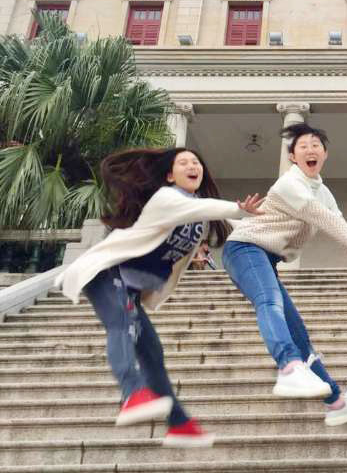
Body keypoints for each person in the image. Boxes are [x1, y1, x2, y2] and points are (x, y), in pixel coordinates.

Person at [56, 147, 264, 448]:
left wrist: (277, 222)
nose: (192, 166)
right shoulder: (167, 198)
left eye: (196, 162)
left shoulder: (198, 216)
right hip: (106, 273)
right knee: (123, 324)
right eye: (183, 162)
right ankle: (133, 393)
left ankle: (179, 425)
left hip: (130, 286)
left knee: (152, 351)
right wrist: (238, 208)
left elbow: (241, 224)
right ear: (169, 175)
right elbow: (214, 209)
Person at [222, 123, 347, 426]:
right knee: (269, 301)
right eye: (303, 146)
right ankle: (288, 367)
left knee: (299, 333)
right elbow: (329, 223)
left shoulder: (324, 193)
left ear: (325, 154)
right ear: (293, 157)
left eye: (316, 145)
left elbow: (344, 238)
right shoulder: (289, 184)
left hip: (266, 258)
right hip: (244, 249)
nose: (311, 150)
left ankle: (336, 402)